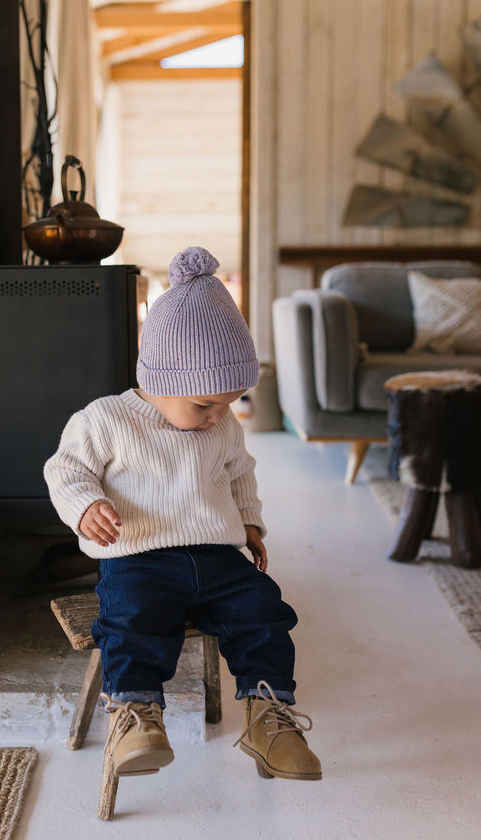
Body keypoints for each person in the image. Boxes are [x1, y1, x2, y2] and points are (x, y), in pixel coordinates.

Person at [44, 246, 321, 782]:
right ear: (163, 380)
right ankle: (135, 715)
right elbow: (65, 469)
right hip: (139, 557)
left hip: (216, 555)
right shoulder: (106, 419)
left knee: (263, 610)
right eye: (205, 405)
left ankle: (268, 715)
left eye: (230, 403)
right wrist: (86, 506)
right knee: (131, 617)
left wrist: (250, 522)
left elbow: (239, 473)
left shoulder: (222, 426)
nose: (219, 416)